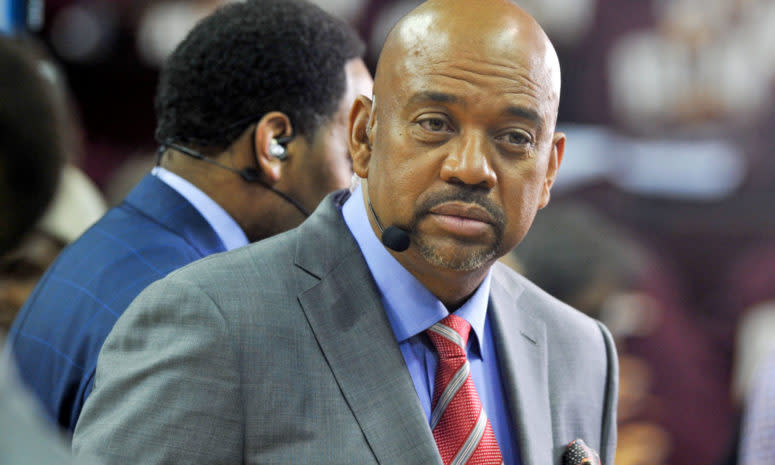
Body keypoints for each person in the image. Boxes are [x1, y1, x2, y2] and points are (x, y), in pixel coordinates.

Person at [72, 1, 617, 464]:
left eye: (515, 136)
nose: (472, 167)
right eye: (434, 123)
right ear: (362, 136)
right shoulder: (210, 323)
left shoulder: (582, 352)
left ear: (549, 170)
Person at [8, 0, 372, 432]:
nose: (361, 185)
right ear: (275, 144)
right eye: (351, 157)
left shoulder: (106, 245)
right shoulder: (189, 313)